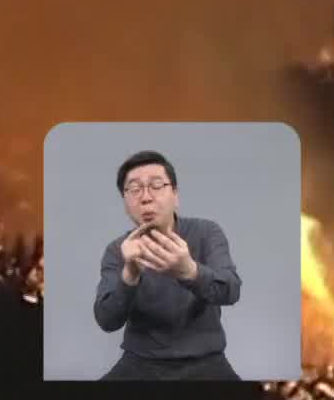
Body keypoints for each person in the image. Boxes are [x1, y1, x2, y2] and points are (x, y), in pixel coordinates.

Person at [93, 150, 243, 380]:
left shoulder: (206, 233)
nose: (145, 197)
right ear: (125, 202)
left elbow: (231, 290)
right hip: (140, 365)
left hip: (207, 364)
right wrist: (129, 274)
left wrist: (189, 271)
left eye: (156, 185)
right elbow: (106, 320)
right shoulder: (118, 250)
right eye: (134, 189)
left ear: (175, 195)